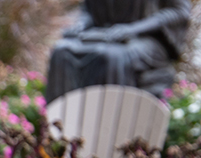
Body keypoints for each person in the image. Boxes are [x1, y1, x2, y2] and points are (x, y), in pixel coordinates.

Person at [44, 0, 191, 103]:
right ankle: (57, 134)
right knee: (62, 52)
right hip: (105, 34)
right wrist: (81, 24)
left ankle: (114, 134)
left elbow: (179, 12)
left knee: (111, 57)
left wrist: (133, 29)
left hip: (147, 38)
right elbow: (88, 10)